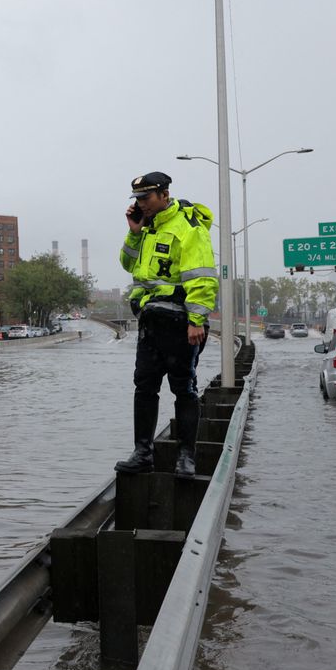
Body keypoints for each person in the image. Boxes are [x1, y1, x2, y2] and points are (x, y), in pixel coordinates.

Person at [115, 171, 218, 478]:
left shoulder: (188, 226)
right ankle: (143, 453)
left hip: (181, 322)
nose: (141, 204)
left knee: (184, 388)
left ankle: (186, 458)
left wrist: (197, 320)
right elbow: (129, 264)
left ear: (164, 193)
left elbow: (202, 276)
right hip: (151, 324)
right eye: (137, 199)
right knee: (144, 387)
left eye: (146, 198)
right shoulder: (147, 229)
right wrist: (134, 231)